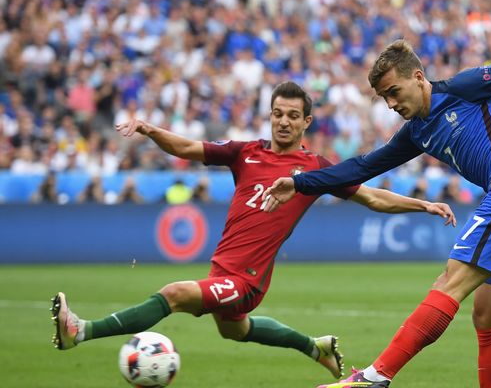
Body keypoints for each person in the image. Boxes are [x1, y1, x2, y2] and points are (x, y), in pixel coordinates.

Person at [51, 81, 456, 382]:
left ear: (306, 121)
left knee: (174, 294)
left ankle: (79, 331)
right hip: (221, 269)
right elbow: (189, 148)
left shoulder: (315, 168)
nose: (284, 121)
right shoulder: (245, 153)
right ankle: (315, 347)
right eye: (278, 113)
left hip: (247, 279)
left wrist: (423, 204)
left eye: (293, 115)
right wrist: (151, 130)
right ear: (270, 115)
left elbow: (371, 198)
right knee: (236, 330)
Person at [264, 40, 491, 387]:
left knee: (448, 282)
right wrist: (301, 183)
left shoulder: (463, 88)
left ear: (418, 77)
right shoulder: (416, 132)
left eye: (395, 92)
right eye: (385, 98)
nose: (392, 104)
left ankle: (374, 377)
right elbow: (361, 168)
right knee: (487, 314)